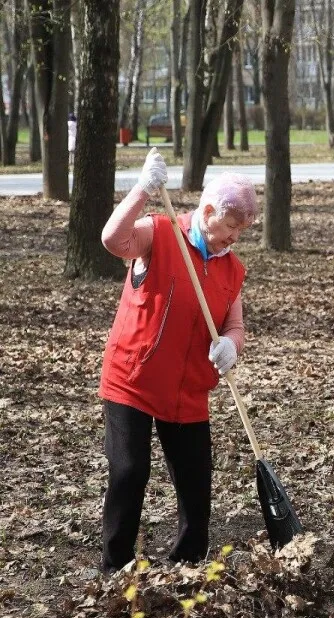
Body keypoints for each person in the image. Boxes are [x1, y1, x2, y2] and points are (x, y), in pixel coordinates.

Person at [98, 148, 258, 573]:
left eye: (239, 234)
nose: (232, 240)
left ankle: (187, 567)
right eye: (229, 229)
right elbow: (113, 240)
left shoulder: (232, 270)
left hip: (188, 389)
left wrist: (230, 345)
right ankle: (116, 567)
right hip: (133, 377)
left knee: (195, 486)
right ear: (207, 211)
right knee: (130, 472)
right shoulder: (161, 233)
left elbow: (236, 326)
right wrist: (141, 192)